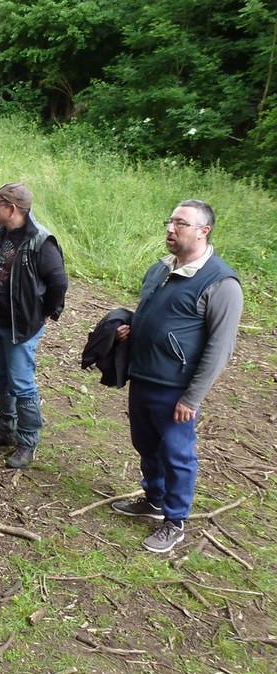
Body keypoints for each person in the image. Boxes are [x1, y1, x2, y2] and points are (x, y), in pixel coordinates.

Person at [111, 200, 243, 554]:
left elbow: (220, 348)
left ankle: (175, 520)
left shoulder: (221, 283)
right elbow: (155, 314)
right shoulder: (160, 269)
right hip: (143, 376)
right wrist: (131, 329)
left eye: (181, 223)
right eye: (170, 221)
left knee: (177, 454)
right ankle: (154, 499)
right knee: (145, 444)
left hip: (176, 388)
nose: (171, 229)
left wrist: (192, 397)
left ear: (203, 231)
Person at [0, 183, 67, 469]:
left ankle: (28, 442)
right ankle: (6, 429)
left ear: (12, 209)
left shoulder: (41, 242)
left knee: (22, 384)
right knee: (1, 378)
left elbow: (59, 282)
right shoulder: (4, 231)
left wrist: (47, 313)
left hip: (22, 326)